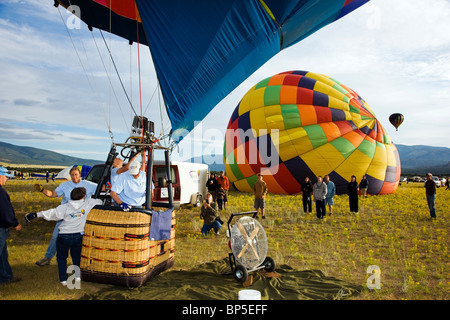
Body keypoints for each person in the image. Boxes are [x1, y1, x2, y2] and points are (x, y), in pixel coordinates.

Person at [25, 187, 102, 286]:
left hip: (63, 236)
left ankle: (63, 280)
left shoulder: (64, 207)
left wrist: (36, 215)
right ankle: (78, 277)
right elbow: (99, 201)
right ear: (83, 196)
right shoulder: (87, 204)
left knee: (61, 258)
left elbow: (51, 213)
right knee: (77, 257)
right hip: (78, 236)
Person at [34, 166, 98, 266]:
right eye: (72, 175)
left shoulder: (88, 184)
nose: (74, 177)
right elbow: (53, 194)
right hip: (65, 215)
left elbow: (101, 188)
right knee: (55, 236)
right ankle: (48, 257)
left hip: (81, 216)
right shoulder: (65, 185)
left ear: (80, 175)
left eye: (76, 174)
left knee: (84, 239)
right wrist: (43, 190)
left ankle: (86, 261)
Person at [0, 167, 22, 285]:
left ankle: (6, 277)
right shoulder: (1, 192)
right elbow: (5, 212)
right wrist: (15, 223)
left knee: (3, 254)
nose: (7, 179)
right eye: (5, 177)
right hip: (1, 228)